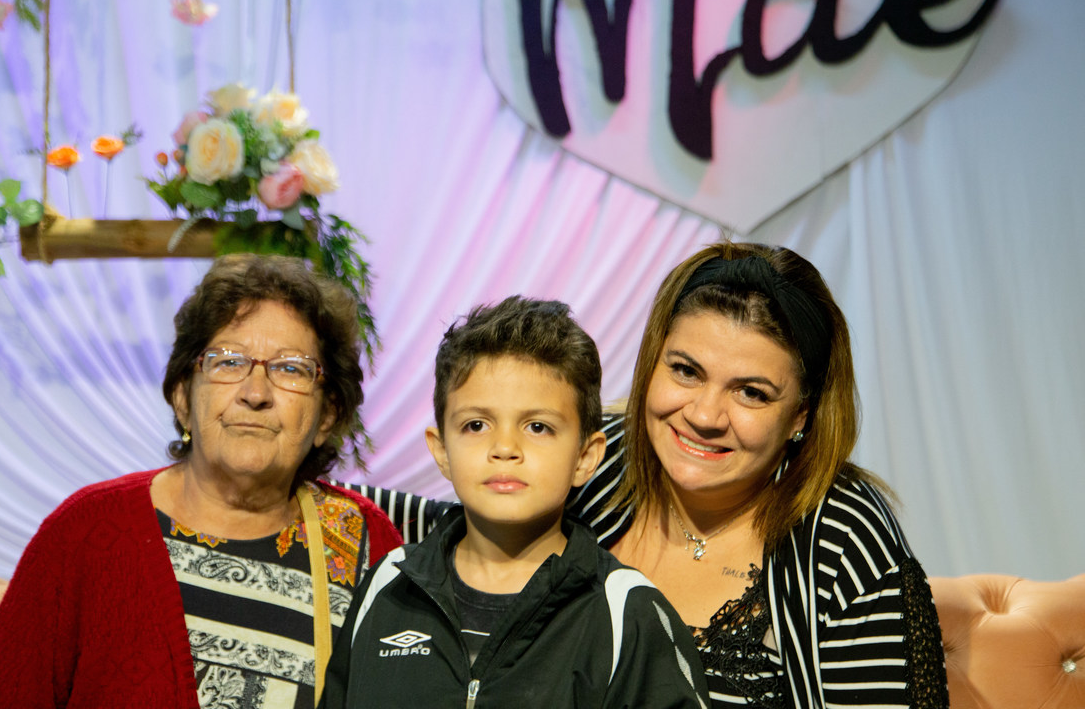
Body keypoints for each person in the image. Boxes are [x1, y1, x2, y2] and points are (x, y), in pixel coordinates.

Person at [344, 243, 948, 708]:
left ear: (801, 416)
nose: (705, 415)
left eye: (751, 392)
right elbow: (454, 518)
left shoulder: (840, 535)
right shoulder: (601, 462)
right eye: (686, 370)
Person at [0, 255, 402, 709]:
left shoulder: (366, 544)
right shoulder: (84, 533)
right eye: (227, 362)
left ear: (327, 414)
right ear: (182, 399)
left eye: (291, 368)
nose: (255, 394)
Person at [321, 297, 710, 709]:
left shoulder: (628, 612)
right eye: (476, 425)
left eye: (538, 427)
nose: (505, 448)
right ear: (441, 450)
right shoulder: (388, 585)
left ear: (585, 457)